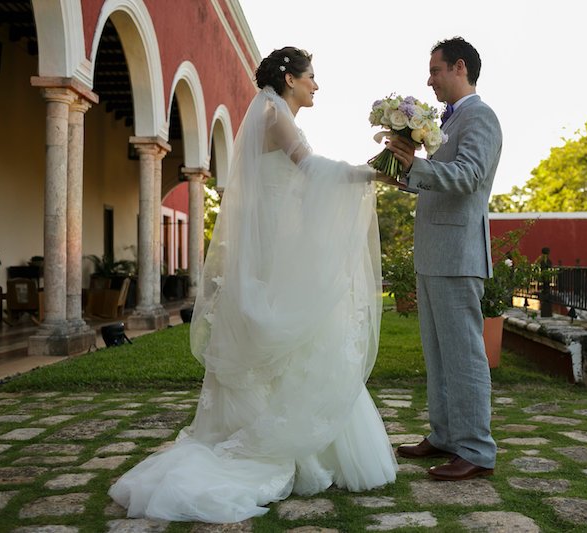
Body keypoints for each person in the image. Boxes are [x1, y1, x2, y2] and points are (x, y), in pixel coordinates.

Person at [108, 47, 397, 523]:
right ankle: (276, 439)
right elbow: (311, 169)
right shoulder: (274, 115)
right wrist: (370, 172)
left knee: (292, 338)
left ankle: (285, 433)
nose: (316, 86)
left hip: (278, 247)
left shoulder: (270, 111)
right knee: (300, 336)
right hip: (279, 252)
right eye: (311, 77)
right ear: (289, 78)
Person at [383, 37, 502, 481]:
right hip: (434, 254)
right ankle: (446, 436)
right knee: (438, 355)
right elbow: (440, 181)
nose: (429, 79)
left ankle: (476, 451)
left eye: (434, 70)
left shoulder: (481, 116)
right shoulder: (448, 122)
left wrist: (415, 166)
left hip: (458, 255)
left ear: (458, 67)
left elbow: (470, 177)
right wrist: (399, 171)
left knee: (465, 357)